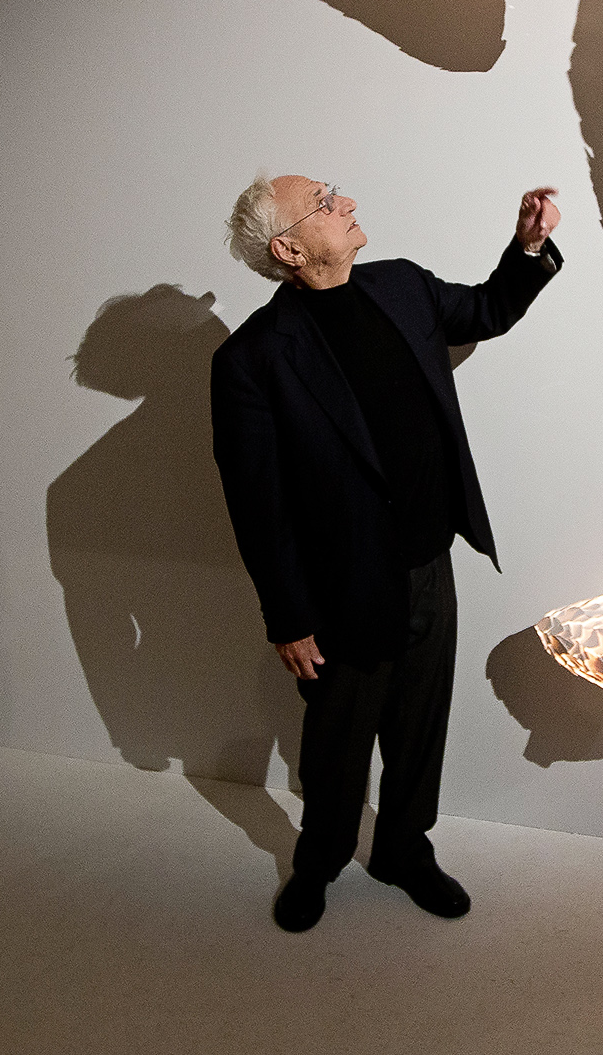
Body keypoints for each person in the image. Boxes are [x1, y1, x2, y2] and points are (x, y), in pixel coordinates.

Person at [210, 173, 562, 932]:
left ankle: (405, 849)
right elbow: (257, 504)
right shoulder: (252, 359)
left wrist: (527, 248)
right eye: (328, 203)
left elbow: (487, 309)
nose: (350, 205)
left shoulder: (400, 285)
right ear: (291, 247)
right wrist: (288, 616)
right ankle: (319, 863)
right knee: (338, 744)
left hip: (430, 563)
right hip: (342, 590)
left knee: (418, 725)